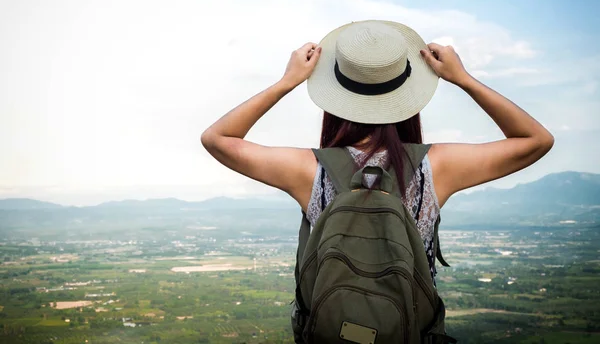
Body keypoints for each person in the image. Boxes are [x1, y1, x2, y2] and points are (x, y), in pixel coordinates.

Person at [201, 20, 554, 340]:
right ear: (407, 97)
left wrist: (287, 82)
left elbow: (217, 139)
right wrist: (462, 78)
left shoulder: (309, 169)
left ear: (334, 98)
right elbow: (536, 140)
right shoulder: (437, 166)